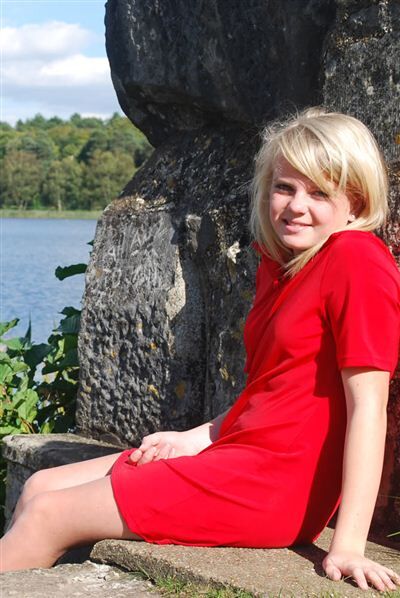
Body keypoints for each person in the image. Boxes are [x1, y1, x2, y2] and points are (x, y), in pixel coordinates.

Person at [1, 108, 399, 592]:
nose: (297, 206)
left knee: (50, 513)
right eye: (285, 187)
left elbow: (368, 408)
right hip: (238, 459)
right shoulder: (285, 266)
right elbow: (273, 393)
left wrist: (350, 543)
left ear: (355, 204)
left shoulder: (356, 260)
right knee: (41, 485)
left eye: (319, 193)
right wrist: (196, 437)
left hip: (272, 487)